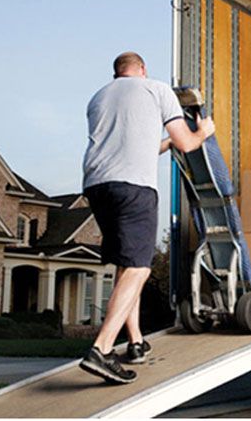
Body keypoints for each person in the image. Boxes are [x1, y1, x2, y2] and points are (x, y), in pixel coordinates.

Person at [79, 52, 215, 384]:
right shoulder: (156, 88)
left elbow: (137, 146)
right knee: (139, 268)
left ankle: (136, 341)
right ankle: (101, 349)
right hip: (134, 188)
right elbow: (187, 143)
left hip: (97, 186)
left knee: (127, 265)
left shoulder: (98, 98)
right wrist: (204, 132)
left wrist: (166, 144)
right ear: (142, 69)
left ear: (117, 74)